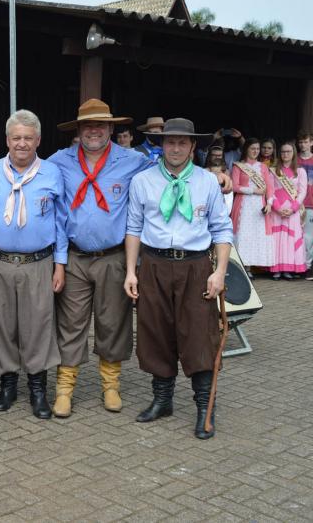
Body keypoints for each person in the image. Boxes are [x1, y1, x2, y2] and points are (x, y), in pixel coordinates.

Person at [124, 118, 233, 440]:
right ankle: (162, 400)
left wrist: (220, 272)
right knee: (156, 333)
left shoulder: (207, 182)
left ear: (193, 147)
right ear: (161, 145)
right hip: (155, 265)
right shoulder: (142, 181)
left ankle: (204, 407)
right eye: (169, 142)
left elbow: (222, 229)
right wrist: (132, 271)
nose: (175, 148)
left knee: (199, 335)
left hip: (196, 266)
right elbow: (133, 228)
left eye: (182, 143)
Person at [49, 99, 151, 418]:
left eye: (100, 125)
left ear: (111, 128)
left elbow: (168, 173)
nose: (94, 130)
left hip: (114, 257)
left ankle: (111, 385)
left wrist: (215, 176)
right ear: (78, 130)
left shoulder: (133, 161)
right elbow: (29, 173)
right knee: (71, 323)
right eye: (87, 125)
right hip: (75, 258)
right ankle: (65, 388)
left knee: (113, 322)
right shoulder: (58, 161)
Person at [0, 110, 66, 419]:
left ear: (38, 141)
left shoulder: (52, 174)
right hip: (0, 262)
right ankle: (7, 386)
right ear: (7, 140)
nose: (22, 144)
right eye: (16, 138)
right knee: (3, 325)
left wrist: (60, 264)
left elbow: (62, 222)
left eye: (28, 138)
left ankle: (37, 389)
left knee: (38, 326)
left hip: (38, 263)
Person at [231, 138, 275, 274]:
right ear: (246, 149)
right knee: (244, 233)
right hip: (244, 204)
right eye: (252, 148)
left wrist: (269, 203)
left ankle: (251, 267)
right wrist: (253, 190)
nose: (255, 151)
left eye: (257, 148)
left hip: (258, 205)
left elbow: (270, 187)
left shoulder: (263, 167)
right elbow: (234, 186)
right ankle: (243, 267)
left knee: (256, 234)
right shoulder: (238, 166)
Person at [268, 141, 308, 279]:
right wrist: (278, 208)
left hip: (293, 210)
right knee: (277, 239)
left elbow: (303, 192)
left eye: (288, 151)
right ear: (280, 153)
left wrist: (293, 208)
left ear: (294, 153)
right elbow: (270, 190)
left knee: (290, 239)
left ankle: (288, 268)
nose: (285, 154)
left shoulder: (301, 171)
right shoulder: (273, 170)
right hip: (277, 210)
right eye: (283, 151)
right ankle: (277, 268)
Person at [297, 131, 313, 279]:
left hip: (311, 204)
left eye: (306, 142)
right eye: (301, 142)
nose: (303, 145)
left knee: (309, 237)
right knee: (302, 237)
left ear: (311, 143)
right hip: (298, 204)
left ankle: (308, 266)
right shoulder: (294, 160)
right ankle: (303, 266)